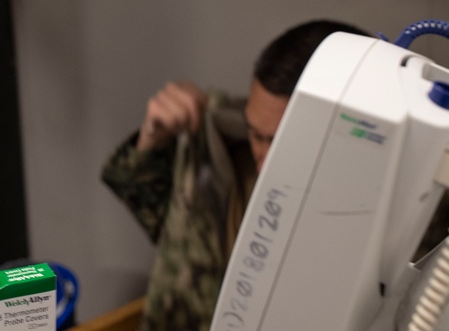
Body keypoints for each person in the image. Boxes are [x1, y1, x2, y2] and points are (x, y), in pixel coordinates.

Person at [101, 19, 370, 331]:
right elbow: (169, 232)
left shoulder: (394, 219)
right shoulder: (221, 152)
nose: (264, 162)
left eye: (284, 143)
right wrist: (153, 140)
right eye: (257, 135)